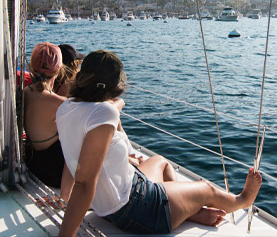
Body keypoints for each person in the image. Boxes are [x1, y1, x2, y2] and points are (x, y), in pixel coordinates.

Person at [56, 50, 262, 236]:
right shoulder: (104, 113)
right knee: (206, 189)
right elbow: (83, 183)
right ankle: (243, 200)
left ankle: (188, 211)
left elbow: (75, 159)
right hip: (138, 208)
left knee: (160, 162)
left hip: (108, 205)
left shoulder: (66, 108)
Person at [23, 42, 72, 193]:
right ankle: (66, 197)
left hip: (33, 163)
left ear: (31, 67)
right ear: (59, 69)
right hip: (53, 173)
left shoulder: (26, 91)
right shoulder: (56, 102)